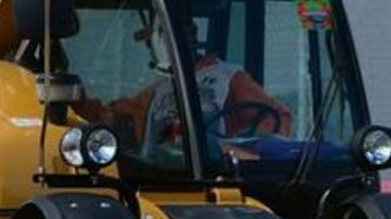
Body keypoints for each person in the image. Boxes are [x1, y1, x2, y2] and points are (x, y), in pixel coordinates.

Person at [84, 17, 291, 155]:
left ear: (192, 35)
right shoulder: (157, 90)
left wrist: (231, 147)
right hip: (157, 179)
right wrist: (72, 95)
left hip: (211, 177)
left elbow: (278, 119)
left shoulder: (228, 77)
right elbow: (108, 115)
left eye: (184, 33)